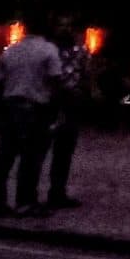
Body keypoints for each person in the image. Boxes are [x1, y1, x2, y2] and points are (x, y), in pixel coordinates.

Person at [0, 24, 66, 217]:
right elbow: (56, 80)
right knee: (31, 157)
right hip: (35, 108)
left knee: (5, 157)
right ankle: (25, 201)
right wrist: (56, 109)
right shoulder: (49, 50)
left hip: (10, 105)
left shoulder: (11, 51)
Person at [44, 20, 89, 211]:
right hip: (49, 102)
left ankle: (57, 192)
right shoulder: (47, 51)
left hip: (71, 104)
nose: (65, 28)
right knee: (38, 150)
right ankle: (28, 196)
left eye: (69, 25)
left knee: (64, 152)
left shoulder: (81, 52)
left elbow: (85, 76)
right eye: (61, 24)